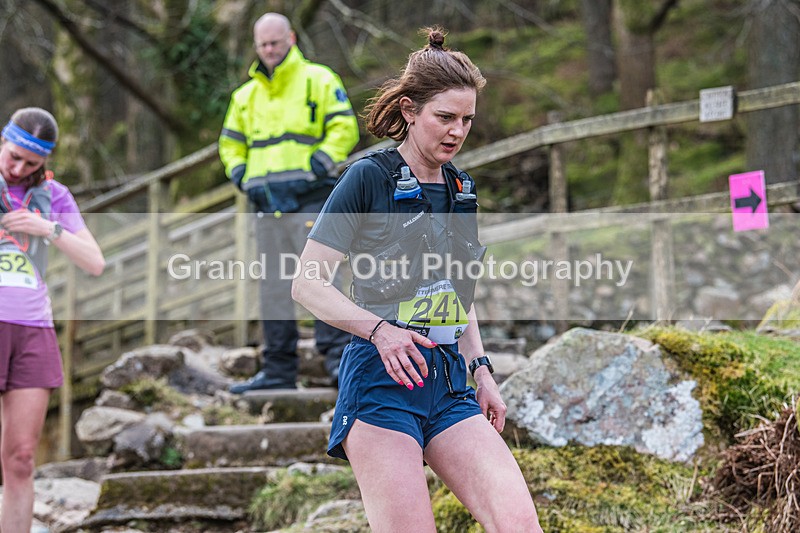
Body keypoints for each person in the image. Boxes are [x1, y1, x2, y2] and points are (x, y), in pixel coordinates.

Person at [292, 28, 542, 532]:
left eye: (467, 120)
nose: (457, 131)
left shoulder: (461, 190)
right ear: (409, 110)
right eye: (444, 117)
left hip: (449, 383)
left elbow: (456, 296)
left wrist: (483, 371)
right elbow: (306, 283)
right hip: (382, 386)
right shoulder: (367, 178)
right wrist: (379, 332)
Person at [219, 12, 360, 392]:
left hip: (311, 199)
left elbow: (345, 126)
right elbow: (230, 144)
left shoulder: (319, 79)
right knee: (273, 285)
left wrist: (321, 162)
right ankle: (279, 369)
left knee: (321, 278)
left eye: (274, 43)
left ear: (291, 38)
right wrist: (240, 175)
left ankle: (338, 364)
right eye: (262, 44)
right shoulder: (244, 96)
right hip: (265, 202)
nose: (268, 50)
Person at [0, 107, 105, 533]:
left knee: (22, 459)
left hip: (32, 329)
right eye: (13, 157)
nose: (19, 168)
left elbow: (95, 262)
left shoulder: (53, 195)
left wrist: (48, 229)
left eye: (31, 163)